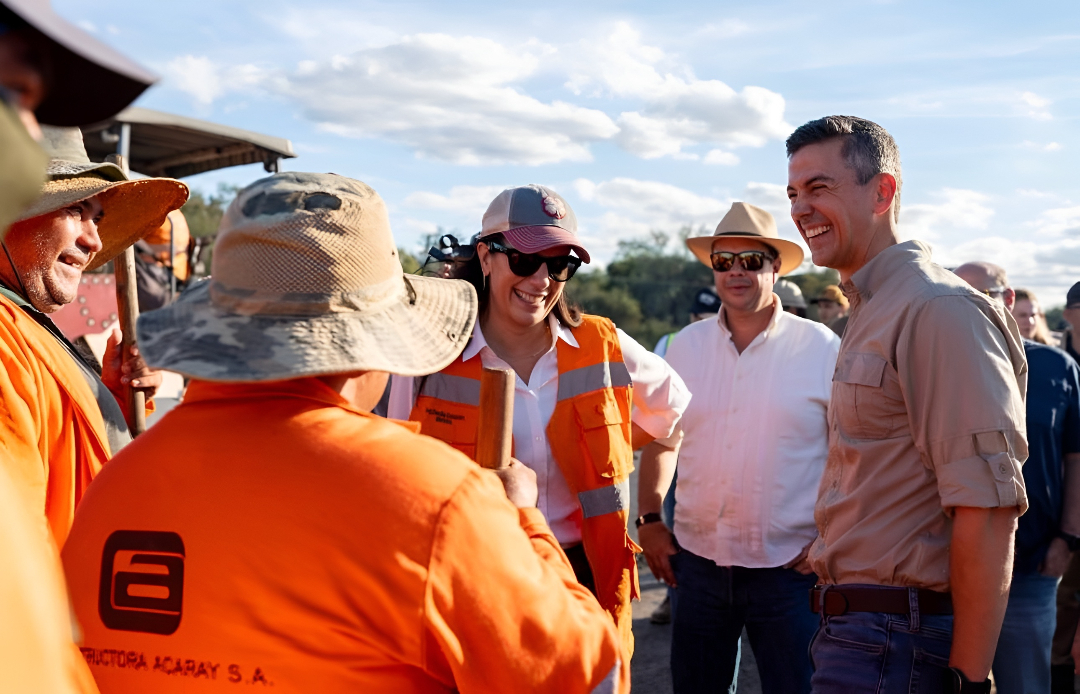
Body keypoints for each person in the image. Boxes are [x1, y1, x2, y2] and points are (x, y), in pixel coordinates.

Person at [62, 172, 630, 693]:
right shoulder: (440, 501)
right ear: (369, 348)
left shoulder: (112, 488)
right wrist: (524, 524)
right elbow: (590, 677)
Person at [390, 184, 690, 654]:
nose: (542, 280)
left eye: (560, 264)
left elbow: (673, 417)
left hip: (586, 585)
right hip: (469, 587)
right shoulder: (428, 357)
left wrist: (649, 506)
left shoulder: (603, 344)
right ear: (486, 256)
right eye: (526, 261)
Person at [786, 115, 1028, 694]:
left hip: (898, 643)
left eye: (819, 188)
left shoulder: (937, 309)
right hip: (864, 634)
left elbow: (988, 508)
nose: (800, 209)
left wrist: (969, 681)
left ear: (884, 191)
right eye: (793, 193)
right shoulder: (874, 309)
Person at [637, 202, 839, 694]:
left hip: (791, 571)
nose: (736, 272)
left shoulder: (823, 348)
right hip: (698, 565)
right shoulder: (685, 345)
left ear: (775, 267)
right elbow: (664, 439)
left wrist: (830, 541)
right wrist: (649, 521)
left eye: (750, 260)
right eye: (723, 261)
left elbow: (853, 457)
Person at [0, 126, 187, 548]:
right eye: (75, 210)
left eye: (96, 217)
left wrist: (111, 407)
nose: (94, 240)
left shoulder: (22, 324)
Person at [955, 262, 1080, 694]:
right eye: (955, 297)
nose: (966, 309)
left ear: (1008, 299)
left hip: (1031, 565)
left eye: (980, 296)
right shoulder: (934, 364)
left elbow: (1075, 457)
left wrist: (1068, 538)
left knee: (1025, 684)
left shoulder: (1056, 368)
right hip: (942, 566)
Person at [649, 285, 720, 626]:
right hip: (679, 447)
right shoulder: (671, 343)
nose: (703, 321)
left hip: (713, 449)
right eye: (700, 315)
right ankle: (672, 596)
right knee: (677, 525)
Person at [653, 287, 720, 358]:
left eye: (708, 320)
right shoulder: (666, 343)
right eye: (698, 317)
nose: (699, 322)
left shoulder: (727, 349)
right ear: (692, 316)